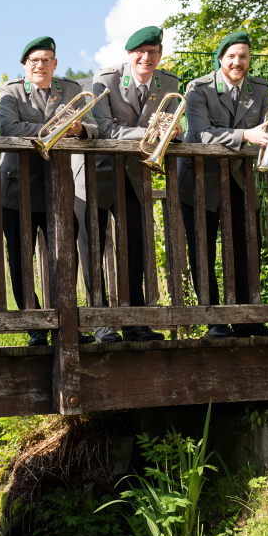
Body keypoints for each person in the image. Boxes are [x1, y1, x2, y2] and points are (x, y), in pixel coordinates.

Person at [0, 37, 99, 347]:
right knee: (21, 261)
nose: (40, 65)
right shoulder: (11, 91)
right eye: (34, 61)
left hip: (58, 190)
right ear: (25, 66)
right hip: (18, 190)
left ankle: (65, 322)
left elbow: (95, 129)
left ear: (55, 64)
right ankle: (35, 326)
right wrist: (58, 128)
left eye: (46, 60)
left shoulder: (70, 90)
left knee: (64, 258)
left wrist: (79, 129)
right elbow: (9, 128)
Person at [179, 30, 268, 338]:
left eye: (244, 56)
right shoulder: (198, 89)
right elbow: (201, 134)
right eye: (232, 56)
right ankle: (214, 320)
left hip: (238, 177)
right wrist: (246, 136)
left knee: (247, 247)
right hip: (198, 179)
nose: (238, 62)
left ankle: (247, 319)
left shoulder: (260, 89)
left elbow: (264, 127)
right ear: (221, 59)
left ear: (250, 60)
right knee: (203, 250)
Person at [90, 26, 179, 342]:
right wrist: (152, 132)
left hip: (132, 173)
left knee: (135, 246)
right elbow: (104, 129)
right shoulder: (107, 79)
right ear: (129, 55)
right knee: (93, 248)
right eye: (140, 52)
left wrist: (173, 132)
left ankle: (134, 322)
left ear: (160, 54)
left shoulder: (169, 83)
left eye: (152, 52)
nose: (146, 57)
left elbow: (168, 130)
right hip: (95, 173)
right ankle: (100, 322)